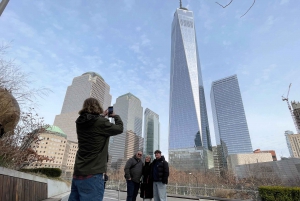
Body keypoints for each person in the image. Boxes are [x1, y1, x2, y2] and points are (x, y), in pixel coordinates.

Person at [69, 98, 123, 201]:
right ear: (97, 107)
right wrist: (115, 116)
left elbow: (92, 123)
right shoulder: (101, 122)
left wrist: (102, 116)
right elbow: (119, 128)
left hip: (78, 173)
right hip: (93, 175)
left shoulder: (80, 122)